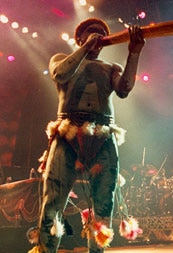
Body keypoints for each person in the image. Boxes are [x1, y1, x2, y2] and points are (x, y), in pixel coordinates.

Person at [28, 18, 145, 253]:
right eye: (92, 33)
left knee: (103, 203)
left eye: (101, 34)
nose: (97, 36)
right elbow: (60, 75)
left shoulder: (111, 68)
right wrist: (84, 49)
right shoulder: (61, 60)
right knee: (53, 203)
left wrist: (134, 53)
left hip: (102, 134)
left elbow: (123, 90)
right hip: (66, 134)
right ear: (79, 38)